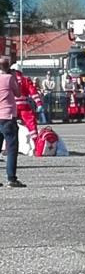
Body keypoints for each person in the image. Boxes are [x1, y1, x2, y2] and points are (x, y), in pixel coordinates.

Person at [0, 57, 26, 187]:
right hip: (8, 116)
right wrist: (14, 77)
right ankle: (11, 178)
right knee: (11, 148)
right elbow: (18, 93)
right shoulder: (9, 78)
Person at [10, 63, 43, 152]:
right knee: (31, 125)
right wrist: (39, 104)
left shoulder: (8, 79)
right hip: (24, 106)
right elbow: (33, 92)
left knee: (8, 127)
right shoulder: (25, 80)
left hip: (11, 107)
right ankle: (37, 145)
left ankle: (9, 147)